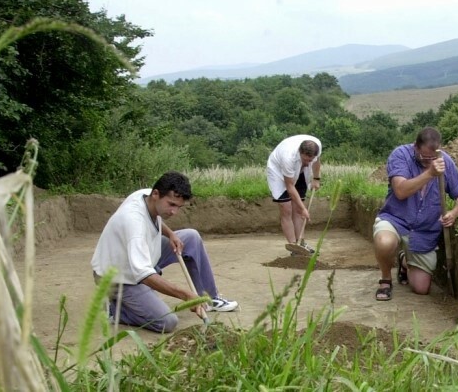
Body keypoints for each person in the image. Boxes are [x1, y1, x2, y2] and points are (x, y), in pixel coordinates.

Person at [90, 171, 238, 333]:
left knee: (191, 237)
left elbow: (155, 217)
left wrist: (171, 234)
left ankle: (209, 298)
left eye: (179, 207)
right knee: (167, 322)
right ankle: (116, 310)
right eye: (171, 205)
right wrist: (187, 295)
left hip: (139, 256)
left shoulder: (145, 195)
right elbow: (144, 275)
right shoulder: (134, 223)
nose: (174, 212)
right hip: (119, 276)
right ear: (156, 194)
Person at [373, 127, 458, 301]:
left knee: (421, 289)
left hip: (424, 232)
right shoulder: (400, 155)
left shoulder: (445, 161)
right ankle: (385, 280)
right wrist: (430, 173)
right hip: (396, 220)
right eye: (424, 157)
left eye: (432, 157)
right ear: (415, 147)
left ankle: (404, 260)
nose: (428, 161)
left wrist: (454, 212)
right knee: (385, 242)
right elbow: (400, 191)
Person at [266, 134, 322, 254]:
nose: (308, 163)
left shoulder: (317, 146)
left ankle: (301, 243)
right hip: (278, 171)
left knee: (297, 208)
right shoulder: (288, 158)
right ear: (299, 152)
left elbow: (317, 162)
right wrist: (304, 209)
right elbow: (290, 186)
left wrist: (316, 178)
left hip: (298, 170)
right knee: (286, 208)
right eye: (306, 160)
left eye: (310, 160)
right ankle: (294, 247)